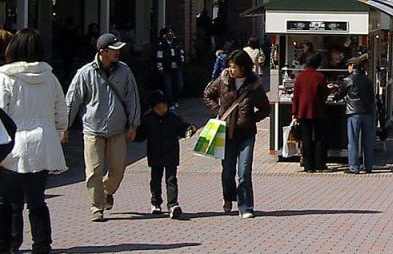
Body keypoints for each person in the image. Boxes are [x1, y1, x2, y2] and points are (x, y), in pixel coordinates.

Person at [0, 29, 67, 253]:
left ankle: (10, 243)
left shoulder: (5, 77)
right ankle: (42, 244)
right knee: (37, 199)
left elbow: (1, 113)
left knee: (10, 201)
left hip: (13, 144)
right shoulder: (50, 76)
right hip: (44, 142)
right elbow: (61, 110)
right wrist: (58, 131)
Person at [65, 33, 141, 223]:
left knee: (118, 168)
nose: (118, 52)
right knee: (94, 171)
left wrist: (133, 124)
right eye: (114, 49)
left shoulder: (124, 71)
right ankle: (96, 207)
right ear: (102, 52)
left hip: (117, 129)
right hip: (92, 129)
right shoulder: (85, 72)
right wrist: (63, 127)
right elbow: (72, 101)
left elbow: (133, 98)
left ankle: (107, 191)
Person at [203, 50, 270, 219]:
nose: (231, 70)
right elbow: (207, 95)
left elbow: (265, 107)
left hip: (247, 133)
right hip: (226, 133)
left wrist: (251, 119)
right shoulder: (223, 80)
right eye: (230, 66)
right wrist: (219, 111)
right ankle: (228, 197)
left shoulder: (254, 83)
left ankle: (246, 206)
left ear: (243, 67)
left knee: (244, 171)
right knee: (227, 171)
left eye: (234, 67)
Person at [134, 90, 196, 219]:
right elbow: (141, 135)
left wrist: (190, 129)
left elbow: (183, 128)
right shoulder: (147, 119)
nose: (162, 110)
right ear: (153, 108)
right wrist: (133, 135)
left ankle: (173, 204)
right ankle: (156, 203)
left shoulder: (173, 118)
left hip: (171, 154)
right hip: (154, 154)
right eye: (158, 108)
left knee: (171, 179)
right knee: (155, 179)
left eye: (164, 107)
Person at [334, 57, 374, 174]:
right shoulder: (368, 80)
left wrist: (335, 95)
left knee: (353, 140)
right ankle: (368, 166)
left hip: (353, 112)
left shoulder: (348, 79)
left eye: (349, 66)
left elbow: (340, 94)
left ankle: (354, 167)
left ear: (352, 66)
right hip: (367, 113)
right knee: (368, 141)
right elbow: (372, 97)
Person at [291, 53, 328, 172]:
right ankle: (320, 164)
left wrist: (294, 112)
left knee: (306, 138)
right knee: (319, 137)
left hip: (303, 111)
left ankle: (308, 165)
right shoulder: (320, 76)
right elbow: (324, 93)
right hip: (318, 110)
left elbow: (295, 96)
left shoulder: (299, 77)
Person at [154, 27, 185, 111]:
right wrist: (160, 67)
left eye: (172, 32)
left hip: (177, 68)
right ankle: (170, 103)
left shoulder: (177, 43)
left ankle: (175, 99)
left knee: (179, 85)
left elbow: (181, 53)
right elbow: (159, 57)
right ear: (165, 34)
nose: (171, 34)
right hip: (167, 69)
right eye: (169, 32)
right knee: (168, 87)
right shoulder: (162, 44)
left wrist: (181, 61)